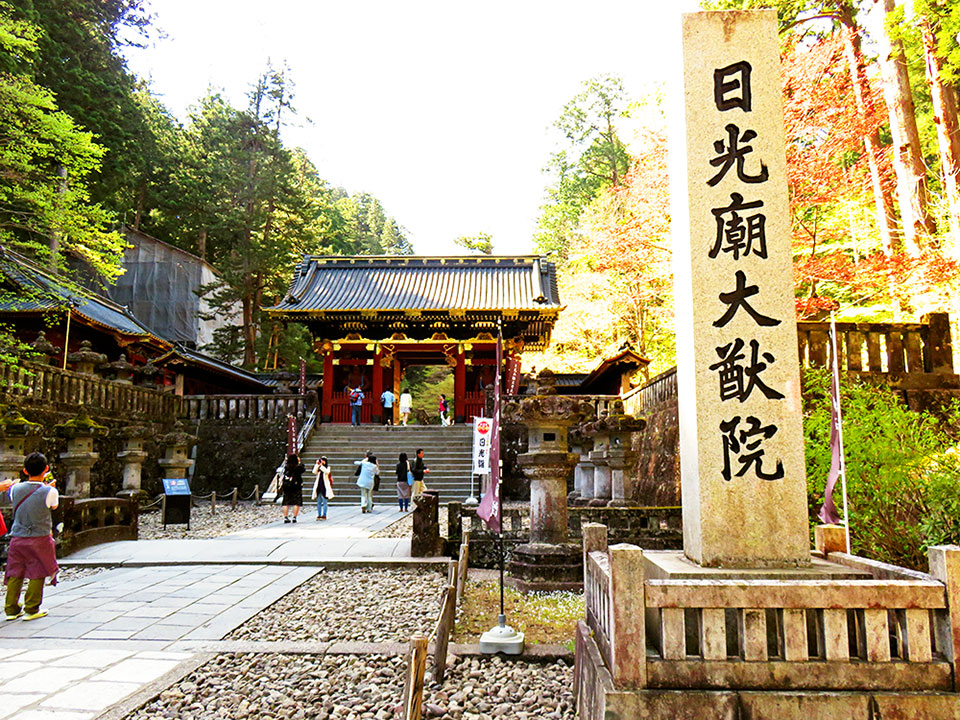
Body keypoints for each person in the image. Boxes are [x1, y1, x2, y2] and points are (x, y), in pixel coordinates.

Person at [3, 452, 59, 621]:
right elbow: (54, 506)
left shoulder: (14, 489)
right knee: (38, 570)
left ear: (25, 470)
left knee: (15, 572)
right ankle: (31, 608)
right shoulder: (49, 491)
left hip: (17, 537)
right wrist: (53, 488)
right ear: (46, 469)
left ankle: (11, 609)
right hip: (39, 537)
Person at [281, 453, 304, 523]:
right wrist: (299, 462)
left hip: (287, 486)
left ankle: (285, 517)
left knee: (286, 502)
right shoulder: (298, 468)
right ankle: (294, 517)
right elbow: (303, 469)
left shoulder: (286, 467)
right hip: (296, 486)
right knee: (296, 502)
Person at [311, 456, 333, 520]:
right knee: (319, 502)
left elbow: (327, 472)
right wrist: (317, 465)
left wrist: (321, 466)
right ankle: (319, 514)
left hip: (324, 486)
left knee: (324, 501)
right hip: (318, 486)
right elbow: (314, 471)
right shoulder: (319, 469)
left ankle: (324, 514)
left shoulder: (327, 468)